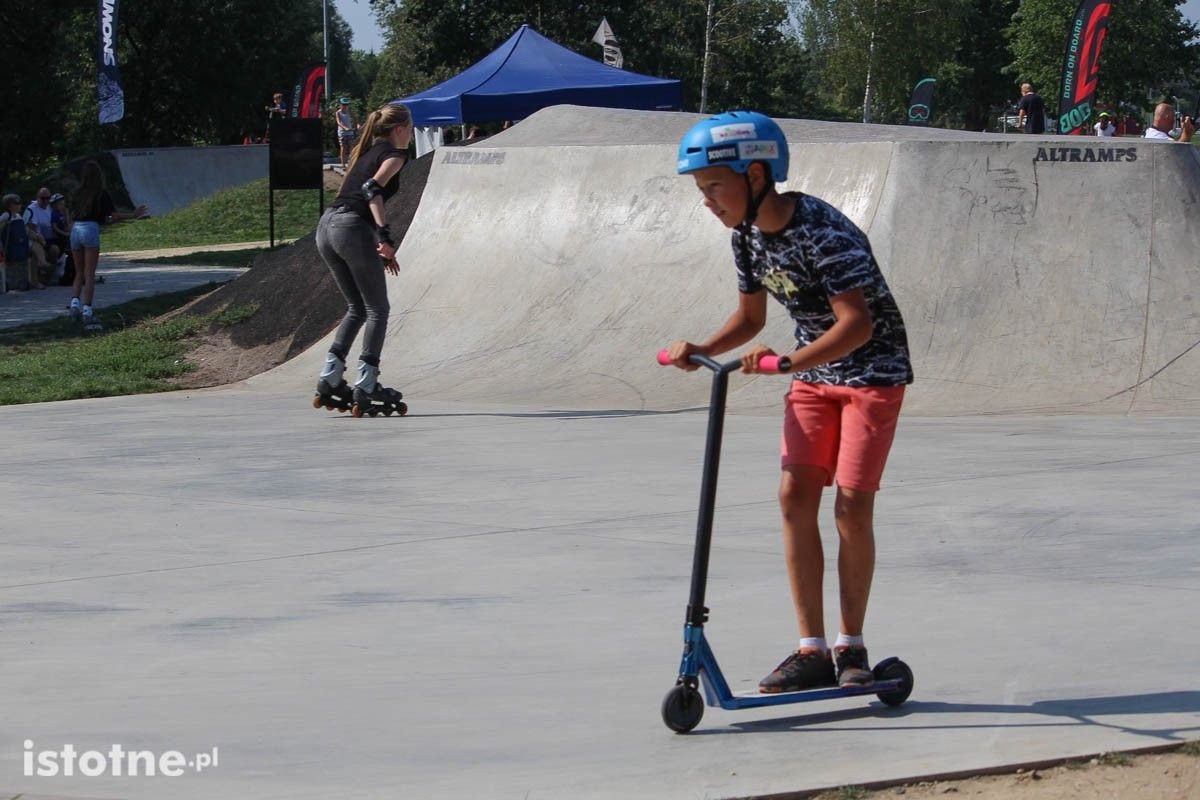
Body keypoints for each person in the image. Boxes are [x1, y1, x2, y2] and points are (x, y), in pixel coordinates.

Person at [666, 111, 913, 692]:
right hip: (811, 376)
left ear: (755, 175)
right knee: (793, 495)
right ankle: (812, 650)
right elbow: (751, 318)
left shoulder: (825, 232)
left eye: (713, 187)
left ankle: (852, 648)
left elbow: (856, 323)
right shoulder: (746, 238)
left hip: (871, 373)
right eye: (700, 191)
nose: (706, 201)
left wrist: (789, 362)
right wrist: (703, 347)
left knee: (851, 505)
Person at [312, 102, 413, 416]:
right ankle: (366, 383)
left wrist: (372, 246)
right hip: (351, 229)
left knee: (357, 308)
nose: (411, 133)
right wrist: (384, 236)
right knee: (377, 309)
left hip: (326, 227)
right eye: (410, 127)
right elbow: (371, 189)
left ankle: (330, 376)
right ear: (399, 129)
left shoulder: (365, 152)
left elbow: (355, 195)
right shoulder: (395, 155)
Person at [68, 160, 148, 328]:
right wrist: (133, 215)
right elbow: (115, 215)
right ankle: (87, 311)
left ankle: (74, 305)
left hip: (76, 229)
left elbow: (73, 214)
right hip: (90, 229)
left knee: (79, 271)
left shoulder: (77, 193)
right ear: (99, 176)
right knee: (90, 274)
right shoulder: (101, 194)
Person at [23, 187, 58, 286]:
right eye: (43, 198)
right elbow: (29, 229)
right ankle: (36, 280)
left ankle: (46, 279)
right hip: (31, 240)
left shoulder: (51, 208)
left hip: (48, 239)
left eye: (48, 198)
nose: (46, 200)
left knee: (55, 249)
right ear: (37, 197)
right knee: (36, 247)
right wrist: (40, 238)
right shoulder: (31, 209)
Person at [1, 193, 34, 291]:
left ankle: (23, 282)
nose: (20, 205)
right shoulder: (6, 215)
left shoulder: (19, 216)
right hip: (10, 246)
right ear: (10, 205)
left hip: (20, 245)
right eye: (17, 203)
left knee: (25, 260)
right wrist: (5, 224)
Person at [50, 193, 74, 285]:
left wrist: (67, 214)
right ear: (55, 205)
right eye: (60, 203)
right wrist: (65, 234)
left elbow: (68, 224)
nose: (62, 205)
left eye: (63, 203)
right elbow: (54, 227)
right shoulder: (54, 214)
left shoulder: (63, 213)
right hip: (59, 238)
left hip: (66, 235)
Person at [335, 97, 358, 168]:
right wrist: (345, 128)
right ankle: (343, 164)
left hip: (350, 132)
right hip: (342, 133)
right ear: (341, 105)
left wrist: (357, 125)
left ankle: (351, 163)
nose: (345, 106)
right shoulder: (338, 112)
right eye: (344, 104)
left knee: (352, 147)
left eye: (346, 104)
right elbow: (338, 122)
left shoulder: (349, 111)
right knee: (343, 148)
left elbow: (355, 118)